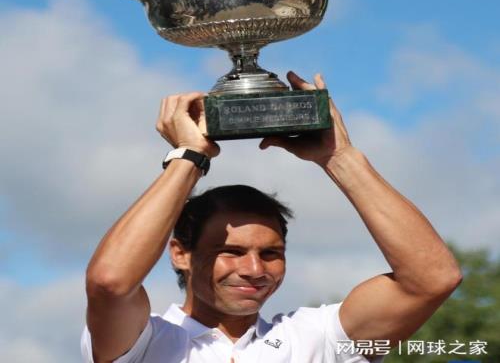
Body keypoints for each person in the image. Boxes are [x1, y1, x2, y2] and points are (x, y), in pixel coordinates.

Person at [81, 72, 462, 363]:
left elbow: (433, 279)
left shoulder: (320, 339)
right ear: (180, 253)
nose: (254, 270)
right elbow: (110, 282)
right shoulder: (144, 341)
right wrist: (189, 156)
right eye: (231, 251)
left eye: (270, 254)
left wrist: (340, 158)